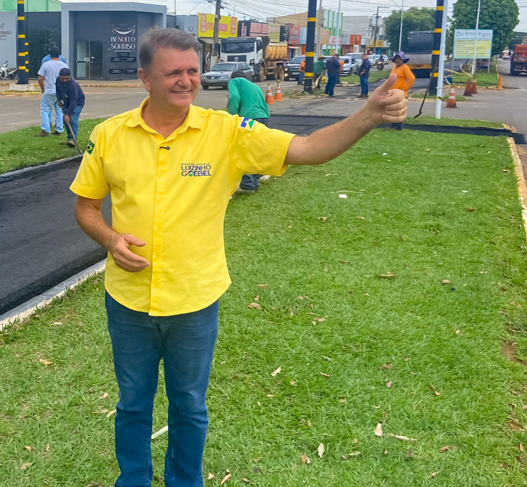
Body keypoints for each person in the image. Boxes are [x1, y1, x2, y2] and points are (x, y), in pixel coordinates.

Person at [70, 27, 406, 487]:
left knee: (189, 406)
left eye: (192, 70)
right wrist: (111, 240)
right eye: (173, 73)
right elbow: (86, 207)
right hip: (128, 300)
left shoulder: (226, 132)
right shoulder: (110, 135)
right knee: (132, 405)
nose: (186, 81)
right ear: (145, 78)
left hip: (194, 299)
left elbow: (308, 149)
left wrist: (367, 115)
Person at [226, 70, 271, 193]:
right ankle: (258, 175)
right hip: (263, 117)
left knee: (245, 147)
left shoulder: (234, 82)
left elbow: (234, 97)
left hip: (248, 119)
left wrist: (232, 116)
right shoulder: (254, 86)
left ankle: (248, 184)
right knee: (257, 147)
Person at [36, 49, 68, 137]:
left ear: (50, 55)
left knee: (45, 110)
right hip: (60, 91)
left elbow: (40, 78)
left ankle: (46, 129)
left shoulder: (46, 65)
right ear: (59, 55)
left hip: (49, 91)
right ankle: (59, 128)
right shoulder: (64, 65)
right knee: (59, 110)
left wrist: (43, 89)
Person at [56, 67, 85, 147]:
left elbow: (73, 102)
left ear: (70, 76)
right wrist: (59, 100)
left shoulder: (73, 85)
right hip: (66, 101)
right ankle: (70, 138)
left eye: (66, 78)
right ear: (60, 77)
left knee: (73, 119)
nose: (64, 80)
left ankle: (73, 139)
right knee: (65, 121)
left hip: (77, 103)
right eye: (63, 78)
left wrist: (67, 114)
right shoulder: (58, 80)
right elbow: (57, 90)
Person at [389, 51, 416, 130]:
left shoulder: (404, 67)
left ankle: (398, 126)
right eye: (396, 58)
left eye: (399, 58)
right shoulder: (394, 67)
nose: (397, 60)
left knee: (399, 110)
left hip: (400, 93)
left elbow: (412, 78)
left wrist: (404, 89)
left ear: (403, 60)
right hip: (392, 93)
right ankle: (393, 124)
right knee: (392, 109)